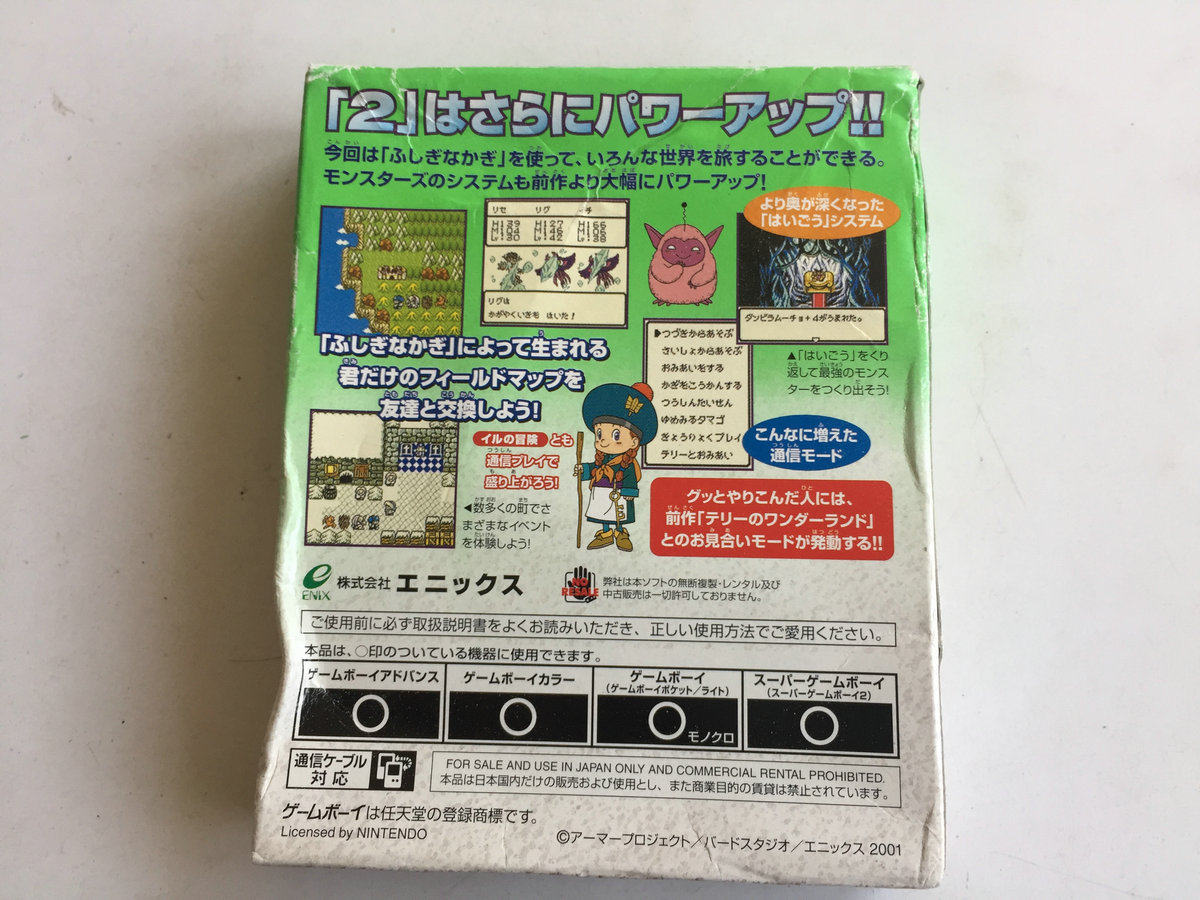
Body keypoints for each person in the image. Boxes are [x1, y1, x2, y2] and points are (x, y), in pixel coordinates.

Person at [573, 382, 659, 551]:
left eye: (616, 434)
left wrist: (629, 492)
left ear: (634, 442)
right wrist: (584, 469)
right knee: (601, 513)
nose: (603, 440)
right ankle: (605, 534)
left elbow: (630, 477)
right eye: (599, 433)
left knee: (618, 514)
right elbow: (594, 468)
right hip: (600, 490)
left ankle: (620, 534)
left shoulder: (627, 463)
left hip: (617, 492)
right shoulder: (602, 459)